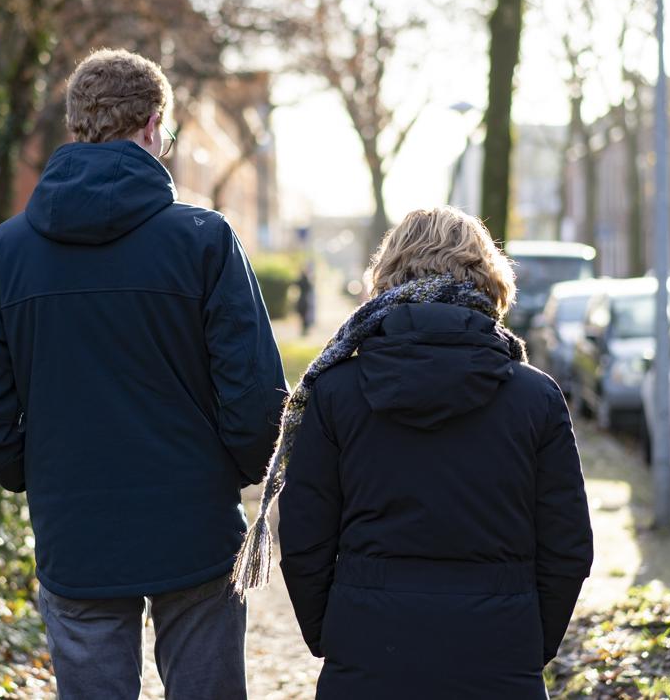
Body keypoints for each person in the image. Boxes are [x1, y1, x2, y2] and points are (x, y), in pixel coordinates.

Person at [0, 48, 286, 699]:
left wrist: (39, 472)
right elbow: (255, 398)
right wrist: (230, 473)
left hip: (74, 529)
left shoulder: (5, 252)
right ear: (154, 126)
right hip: (193, 523)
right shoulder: (205, 241)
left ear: (77, 125)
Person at [233, 205, 593, 699]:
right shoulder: (536, 398)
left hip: (367, 651)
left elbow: (304, 538)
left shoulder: (336, 393)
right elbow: (567, 546)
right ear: (489, 279)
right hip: (499, 655)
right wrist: (528, 641)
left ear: (386, 274)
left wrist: (334, 634)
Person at [295, 263, 317, 337]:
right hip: (305, 300)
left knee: (302, 316)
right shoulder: (308, 280)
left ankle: (304, 330)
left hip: (301, 299)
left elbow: (295, 284)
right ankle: (304, 330)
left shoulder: (301, 280)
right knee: (304, 316)